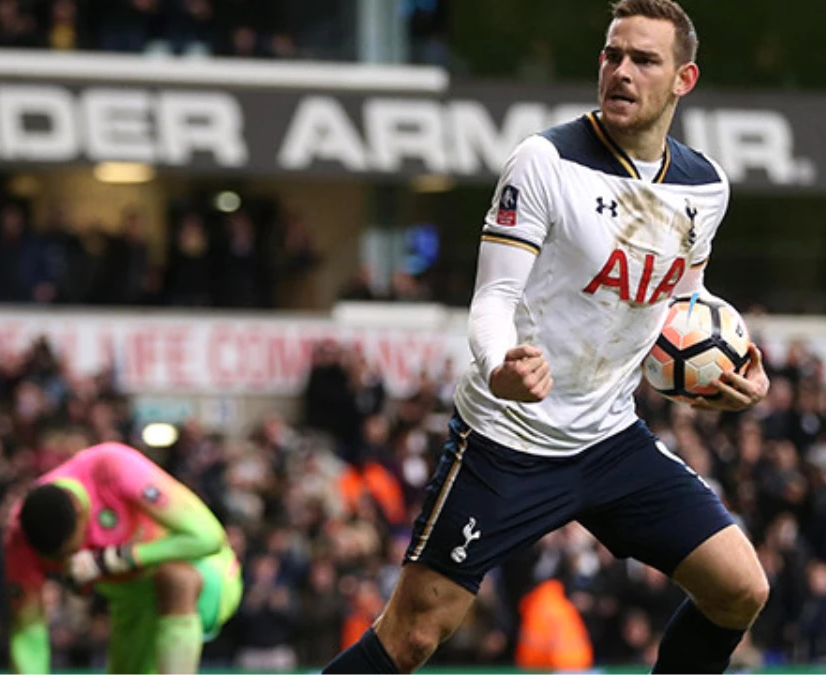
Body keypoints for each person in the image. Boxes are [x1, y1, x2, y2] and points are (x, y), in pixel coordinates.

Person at [321, 1, 770, 673]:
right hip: (507, 440)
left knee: (740, 589)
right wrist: (499, 364)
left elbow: (683, 297)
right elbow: (493, 297)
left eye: (644, 60)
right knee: (412, 634)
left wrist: (737, 365)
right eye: (612, 55)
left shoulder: (705, 186)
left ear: (684, 79)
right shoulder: (544, 161)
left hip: (610, 439)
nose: (621, 71)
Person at [4, 442, 243, 675]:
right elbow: (28, 630)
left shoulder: (112, 467)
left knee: (175, 578)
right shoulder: (18, 537)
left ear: (79, 511)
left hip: (209, 578)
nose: (72, 559)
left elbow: (208, 538)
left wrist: (117, 559)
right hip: (132, 613)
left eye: (71, 550)